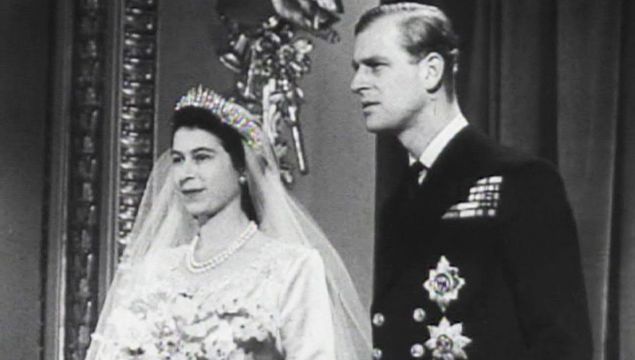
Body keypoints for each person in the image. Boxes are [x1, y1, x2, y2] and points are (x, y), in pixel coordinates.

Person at [350, 3, 592, 360]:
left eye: (375, 67)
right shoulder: (400, 200)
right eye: (357, 69)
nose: (357, 84)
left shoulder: (519, 181)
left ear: (431, 71)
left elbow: (561, 346)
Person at [86, 86, 371, 359]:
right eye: (178, 159)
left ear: (241, 168)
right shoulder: (155, 270)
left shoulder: (291, 268)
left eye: (202, 157)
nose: (186, 174)